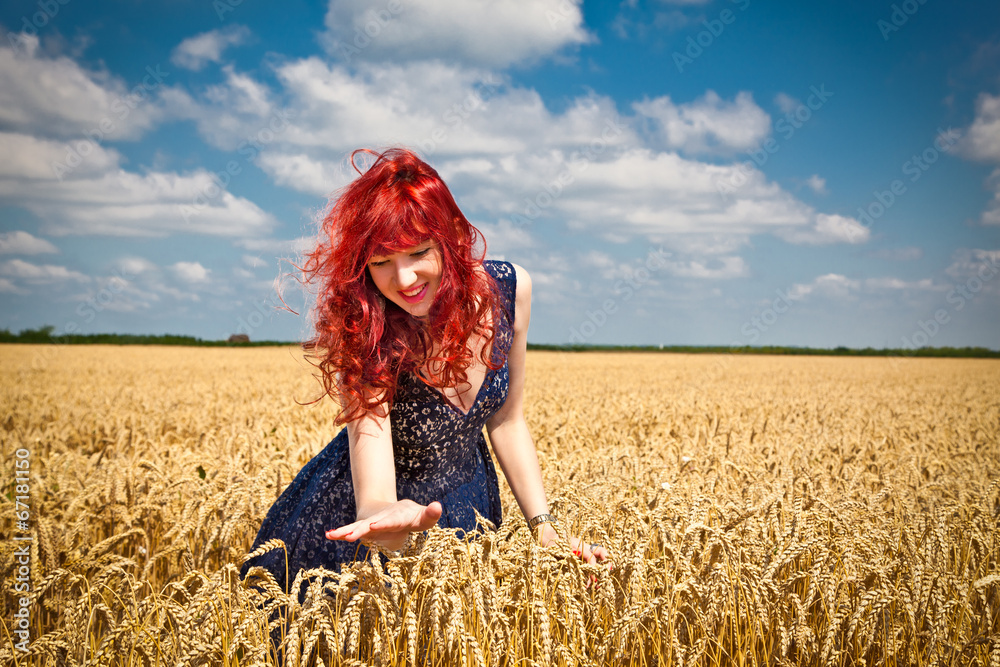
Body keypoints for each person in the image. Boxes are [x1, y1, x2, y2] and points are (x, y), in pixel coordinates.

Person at [241, 147, 607, 594]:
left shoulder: (510, 290)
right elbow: (370, 460)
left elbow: (507, 422)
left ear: (450, 235)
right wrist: (381, 518)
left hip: (471, 511)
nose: (405, 279)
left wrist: (545, 531)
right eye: (380, 262)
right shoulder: (365, 327)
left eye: (417, 252)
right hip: (356, 527)